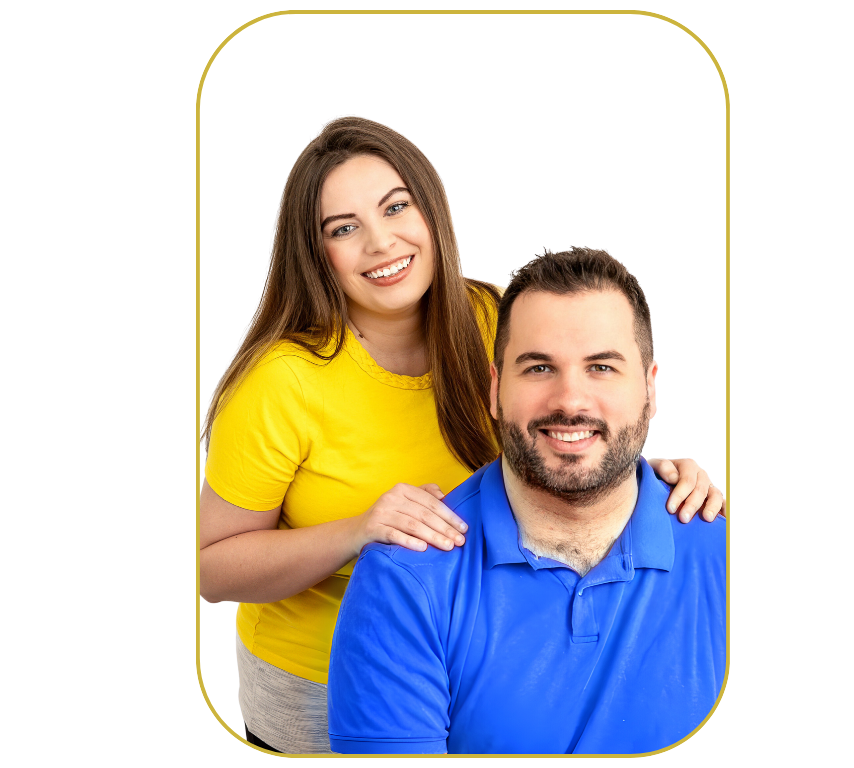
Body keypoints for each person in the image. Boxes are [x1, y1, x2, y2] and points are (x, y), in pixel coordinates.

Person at [199, 119, 724, 754]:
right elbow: (209, 566)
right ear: (317, 254)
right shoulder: (280, 384)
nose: (380, 241)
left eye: (396, 207)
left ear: (432, 207)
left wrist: (643, 471)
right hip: (315, 679)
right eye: (343, 228)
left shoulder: (488, 317)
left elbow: (565, 425)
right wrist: (361, 530)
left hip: (484, 650)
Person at [326, 247, 726, 755]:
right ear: (495, 389)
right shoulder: (403, 581)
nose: (571, 401)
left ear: (649, 389)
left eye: (601, 367)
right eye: (539, 368)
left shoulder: (726, 553)